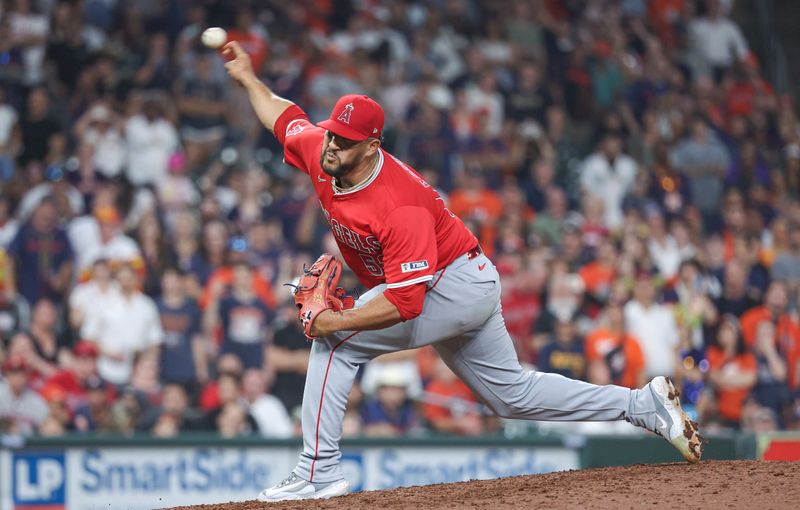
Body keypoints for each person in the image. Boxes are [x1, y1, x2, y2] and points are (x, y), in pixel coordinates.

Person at [222, 40, 703, 502]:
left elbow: (406, 304)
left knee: (333, 345)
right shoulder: (323, 151)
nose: (331, 145)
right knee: (509, 396)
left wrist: (336, 322)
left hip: (452, 284)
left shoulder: (398, 204)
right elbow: (285, 118)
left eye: (345, 141)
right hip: (457, 278)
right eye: (331, 134)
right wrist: (247, 78)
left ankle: (316, 472)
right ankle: (641, 405)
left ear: (372, 147)